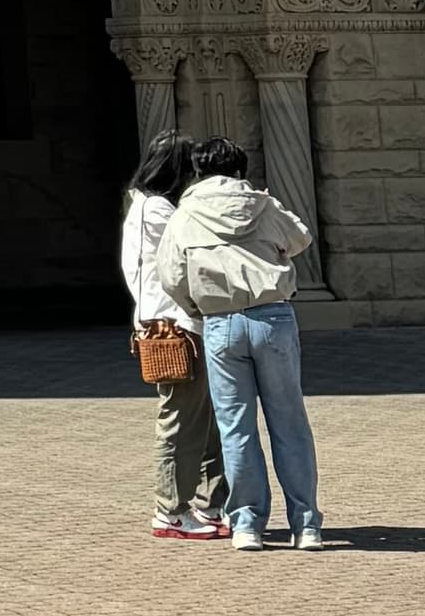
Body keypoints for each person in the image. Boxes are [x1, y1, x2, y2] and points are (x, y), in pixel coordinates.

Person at [157, 142, 323, 546]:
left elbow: (171, 274)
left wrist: (197, 306)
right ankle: (307, 525)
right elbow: (300, 238)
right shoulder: (263, 205)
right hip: (273, 316)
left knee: (236, 428)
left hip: (220, 321)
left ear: (198, 171)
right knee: (289, 425)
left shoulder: (186, 213)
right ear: (240, 168)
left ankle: (247, 523)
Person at [120, 136, 230, 541]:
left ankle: (210, 504)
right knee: (181, 420)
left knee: (208, 420)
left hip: (188, 323)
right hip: (174, 326)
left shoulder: (151, 206)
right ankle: (170, 510)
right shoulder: (155, 210)